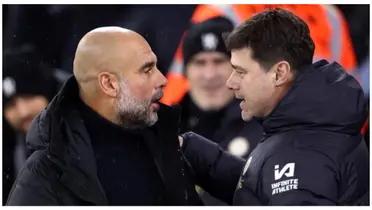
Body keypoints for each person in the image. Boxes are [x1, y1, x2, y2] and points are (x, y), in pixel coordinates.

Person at [179, 8, 369, 205]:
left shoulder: (302, 150)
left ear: (279, 73)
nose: (230, 82)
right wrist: (192, 150)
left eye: (240, 72)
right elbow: (264, 187)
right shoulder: (305, 128)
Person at [6, 27, 202, 205]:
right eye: (147, 69)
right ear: (109, 84)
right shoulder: (46, 174)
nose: (162, 79)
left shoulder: (167, 144)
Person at [177, 16, 263, 205]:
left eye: (218, 61)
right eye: (200, 62)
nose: (210, 74)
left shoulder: (265, 125)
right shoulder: (165, 125)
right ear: (186, 71)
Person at [2, 49, 66, 202]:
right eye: (10, 105)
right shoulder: (10, 146)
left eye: (28, 97)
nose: (22, 112)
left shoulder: (89, 128)